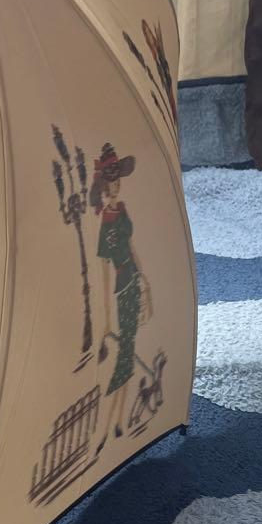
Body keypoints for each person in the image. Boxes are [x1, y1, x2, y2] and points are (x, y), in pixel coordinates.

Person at [91, 144, 152, 452]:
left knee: (128, 351)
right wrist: (105, 318)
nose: (115, 188)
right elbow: (104, 270)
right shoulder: (105, 222)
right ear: (104, 187)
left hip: (133, 282)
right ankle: (107, 425)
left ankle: (116, 423)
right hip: (120, 289)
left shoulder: (123, 211)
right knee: (125, 354)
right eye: (110, 184)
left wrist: (145, 280)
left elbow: (131, 247)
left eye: (117, 183)